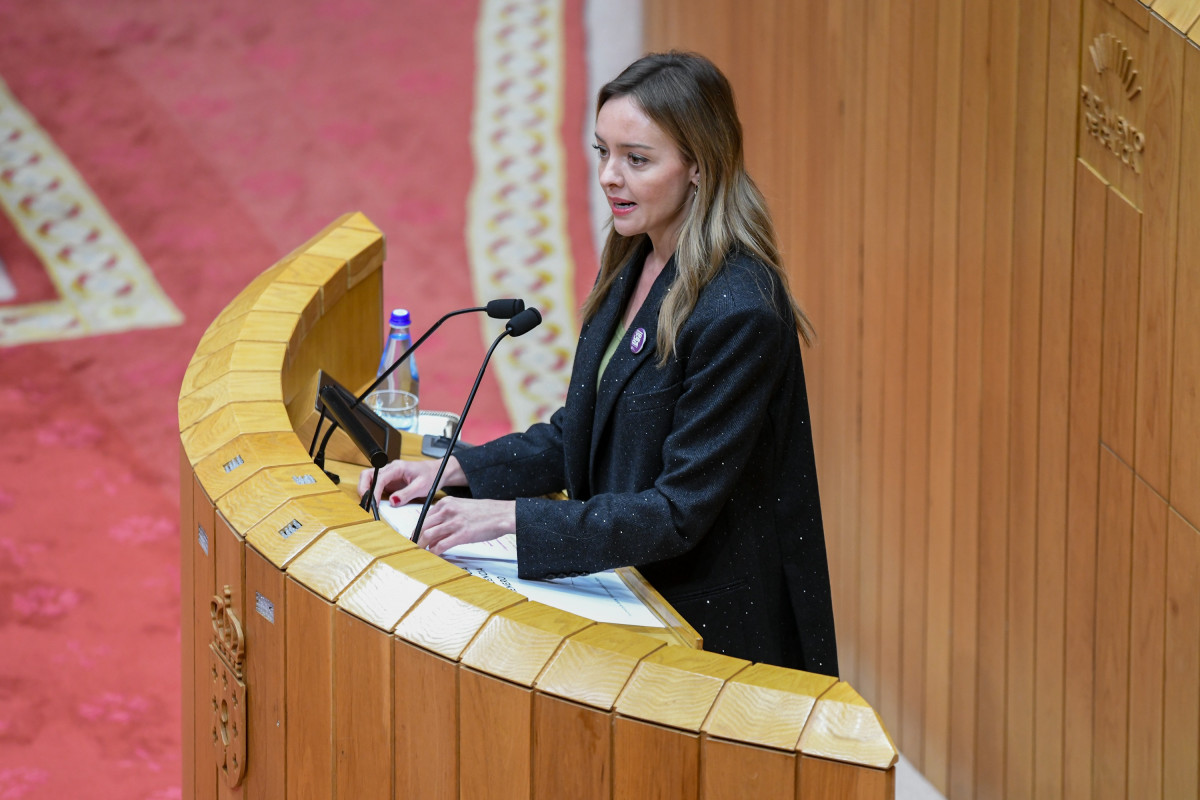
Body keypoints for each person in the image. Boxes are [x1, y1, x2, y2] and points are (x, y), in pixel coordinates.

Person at [360, 51, 837, 676]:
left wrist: (510, 519)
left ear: (699, 166)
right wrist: (457, 472)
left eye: (637, 159)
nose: (610, 176)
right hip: (631, 597)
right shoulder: (633, 261)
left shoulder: (740, 311)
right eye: (602, 152)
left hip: (710, 638)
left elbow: (675, 511)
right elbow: (581, 433)